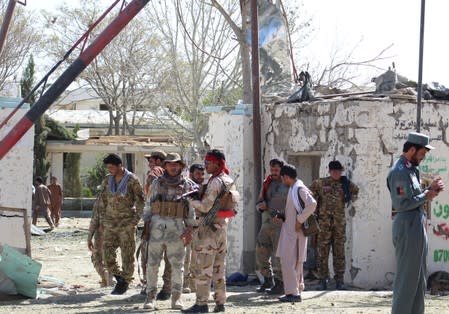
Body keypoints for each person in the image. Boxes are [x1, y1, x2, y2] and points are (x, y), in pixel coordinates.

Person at [387, 132, 444, 314]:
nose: (424, 156)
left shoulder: (411, 169)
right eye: (422, 152)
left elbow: (414, 197)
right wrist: (427, 195)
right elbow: (402, 203)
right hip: (407, 224)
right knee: (407, 278)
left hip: (416, 223)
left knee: (419, 280)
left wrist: (430, 190)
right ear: (412, 149)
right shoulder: (399, 171)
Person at [182, 149, 239, 314]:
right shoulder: (228, 179)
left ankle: (201, 304)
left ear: (217, 163)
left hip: (208, 231)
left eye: (208, 162)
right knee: (219, 269)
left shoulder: (215, 182)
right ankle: (220, 303)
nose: (205, 165)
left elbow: (206, 207)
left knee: (203, 268)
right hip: (221, 229)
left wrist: (191, 200)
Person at [143, 153, 196, 310]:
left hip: (177, 229)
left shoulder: (187, 185)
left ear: (180, 166)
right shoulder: (157, 183)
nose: (173, 167)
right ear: (165, 166)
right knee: (152, 265)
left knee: (177, 266)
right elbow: (148, 204)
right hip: (156, 228)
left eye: (176, 164)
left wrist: (190, 228)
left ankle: (176, 298)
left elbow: (191, 209)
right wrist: (145, 227)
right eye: (170, 164)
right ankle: (150, 297)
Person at [99, 153, 145, 295]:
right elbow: (103, 201)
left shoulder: (132, 180)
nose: (109, 170)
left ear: (120, 166)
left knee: (127, 255)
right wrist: (102, 221)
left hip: (126, 223)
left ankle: (125, 282)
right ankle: (119, 277)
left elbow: (141, 202)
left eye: (112, 167)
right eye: (108, 167)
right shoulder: (107, 180)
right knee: (107, 254)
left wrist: (135, 221)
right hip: (110, 223)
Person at [310, 160, 359, 290]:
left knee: (339, 253)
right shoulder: (320, 183)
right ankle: (322, 280)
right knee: (322, 253)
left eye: (339, 171)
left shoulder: (345, 183)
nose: (337, 174)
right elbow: (309, 194)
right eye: (334, 171)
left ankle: (339, 281)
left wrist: (350, 199)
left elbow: (356, 191)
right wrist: (314, 206)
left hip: (339, 224)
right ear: (330, 171)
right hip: (324, 225)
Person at [276, 164, 317, 302]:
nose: (282, 180)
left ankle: (292, 293)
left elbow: (312, 204)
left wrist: (299, 220)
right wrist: (283, 216)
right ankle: (296, 290)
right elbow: (295, 209)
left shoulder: (299, 188)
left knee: (288, 262)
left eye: (283, 177)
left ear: (286, 177)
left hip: (294, 232)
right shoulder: (294, 188)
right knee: (294, 262)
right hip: (291, 230)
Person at [141, 150, 173, 301]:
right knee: (170, 258)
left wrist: (146, 224)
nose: (150, 164)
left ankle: (150, 288)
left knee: (151, 258)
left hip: (156, 221)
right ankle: (167, 289)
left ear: (159, 161)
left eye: (151, 160)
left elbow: (149, 200)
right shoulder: (175, 178)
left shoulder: (154, 175)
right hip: (173, 223)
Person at [255, 158, 289, 294]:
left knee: (278, 253)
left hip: (281, 222)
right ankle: (268, 279)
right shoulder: (267, 183)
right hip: (268, 221)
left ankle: (280, 282)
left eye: (276, 170)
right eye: (272, 170)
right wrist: (260, 207)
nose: (274, 172)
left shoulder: (288, 183)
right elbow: (259, 201)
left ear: (281, 169)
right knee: (260, 248)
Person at [183, 163, 206, 293]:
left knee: (197, 257)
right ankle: (185, 283)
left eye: (202, 174)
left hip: (200, 226)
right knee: (186, 257)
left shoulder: (204, 188)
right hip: (187, 226)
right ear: (191, 174)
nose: (201, 177)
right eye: (198, 174)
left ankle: (194, 284)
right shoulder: (186, 187)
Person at [87, 193, 112, 287]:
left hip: (101, 233)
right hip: (114, 232)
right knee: (110, 258)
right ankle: (107, 280)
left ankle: (104, 274)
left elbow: (94, 220)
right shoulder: (119, 197)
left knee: (96, 258)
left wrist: (89, 238)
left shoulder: (100, 199)